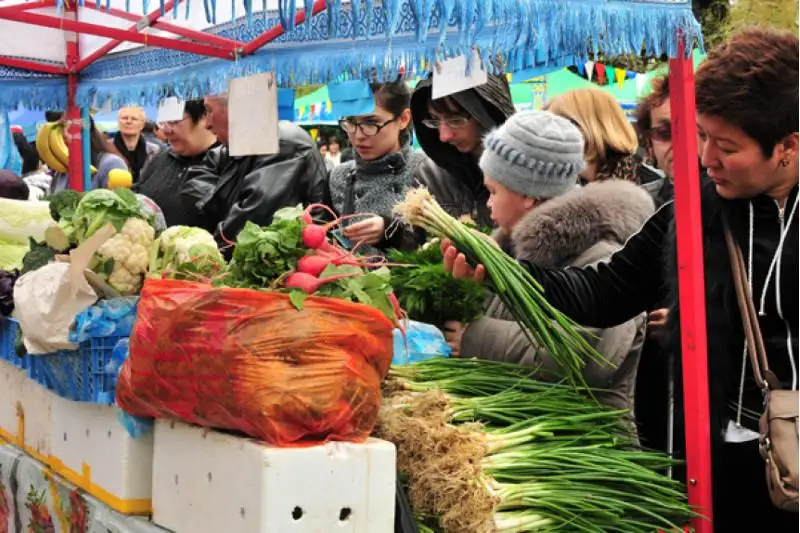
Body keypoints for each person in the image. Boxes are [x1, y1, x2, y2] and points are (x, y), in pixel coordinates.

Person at [442, 28, 798, 530]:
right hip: (715, 456)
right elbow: (603, 294)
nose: (705, 158)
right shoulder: (690, 217)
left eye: (727, 146)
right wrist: (501, 272)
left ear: (786, 146)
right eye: (703, 137)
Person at [443, 110, 654, 412]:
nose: (488, 204)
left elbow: (589, 355)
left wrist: (475, 337)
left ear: (528, 194)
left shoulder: (604, 257)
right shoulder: (509, 248)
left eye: (493, 191)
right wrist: (470, 285)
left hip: (587, 447)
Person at [181, 94, 329, 247]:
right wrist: (234, 206)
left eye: (209, 111)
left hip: (283, 262)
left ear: (237, 109)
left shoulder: (282, 143)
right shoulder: (233, 148)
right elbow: (193, 182)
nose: (207, 124)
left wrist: (226, 210)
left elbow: (246, 229)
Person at [329, 78, 426, 251]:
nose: (358, 136)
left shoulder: (427, 171)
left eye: (371, 123)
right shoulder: (338, 177)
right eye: (351, 123)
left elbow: (442, 246)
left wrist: (391, 231)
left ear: (403, 119)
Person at [411, 73, 516, 228]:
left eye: (455, 120)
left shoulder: (525, 174)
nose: (443, 136)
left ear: (487, 112)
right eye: (434, 120)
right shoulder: (430, 175)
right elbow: (415, 245)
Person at [134, 100, 218, 227]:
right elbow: (139, 192)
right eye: (163, 123)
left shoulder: (227, 164)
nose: (167, 130)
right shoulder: (161, 156)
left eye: (174, 122)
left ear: (204, 117)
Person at [546, 88, 641, 184]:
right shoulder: (548, 182)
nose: (549, 133)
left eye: (560, 123)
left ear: (593, 127)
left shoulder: (646, 187)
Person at [49, 119, 128, 192]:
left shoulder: (112, 164)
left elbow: (119, 203)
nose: (65, 138)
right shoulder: (62, 170)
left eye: (69, 132)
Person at [635, 75, 675, 208]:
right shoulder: (638, 209)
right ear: (649, 145)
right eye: (664, 133)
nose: (680, 145)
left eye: (697, 131)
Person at [113, 106, 161, 183]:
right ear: (118, 122)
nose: (128, 121)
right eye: (124, 118)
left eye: (134, 119)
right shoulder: (106, 147)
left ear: (142, 125)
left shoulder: (154, 151)